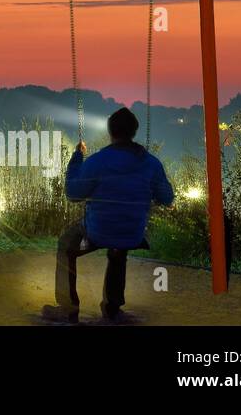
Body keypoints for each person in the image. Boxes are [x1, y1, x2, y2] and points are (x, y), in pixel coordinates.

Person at [42, 107, 174, 324]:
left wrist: (77, 158)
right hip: (133, 233)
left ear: (111, 132)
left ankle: (67, 308)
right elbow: (166, 199)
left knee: (67, 242)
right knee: (118, 248)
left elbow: (73, 194)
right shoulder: (151, 163)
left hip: (98, 232)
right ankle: (113, 308)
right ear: (134, 131)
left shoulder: (97, 161)